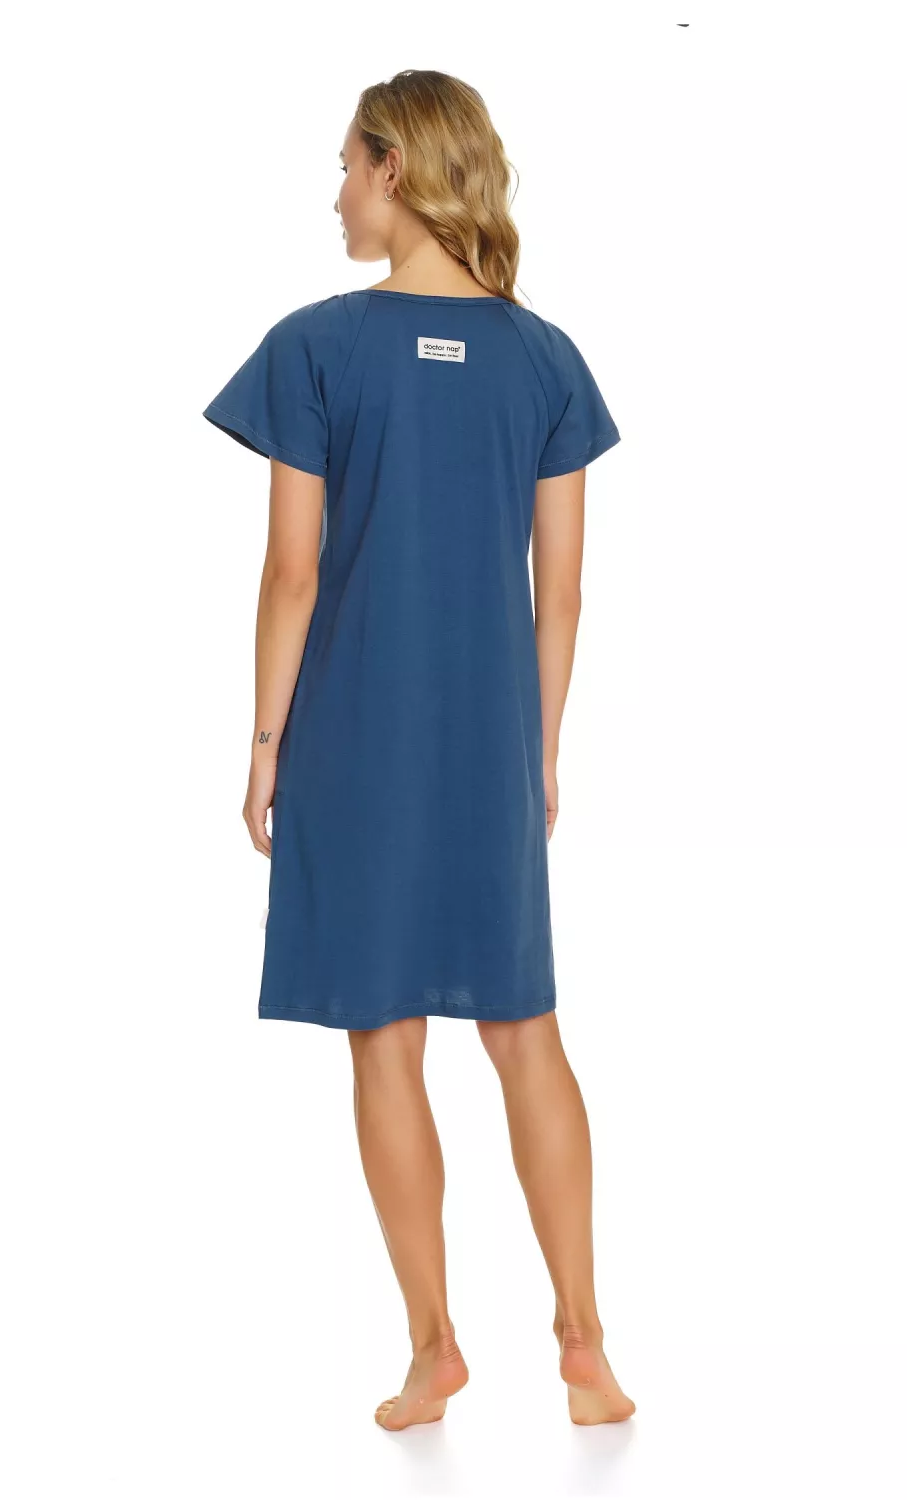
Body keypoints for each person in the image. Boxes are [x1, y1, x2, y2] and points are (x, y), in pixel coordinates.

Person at [202, 69, 634, 1431]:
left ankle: (435, 1347)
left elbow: (292, 573)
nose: (337, 193)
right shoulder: (547, 360)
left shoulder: (316, 348)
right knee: (526, 1031)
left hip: (352, 739)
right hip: (490, 743)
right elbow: (564, 593)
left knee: (383, 1037)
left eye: (346, 165)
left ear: (395, 167)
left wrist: (264, 742)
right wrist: (539, 751)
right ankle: (584, 1341)